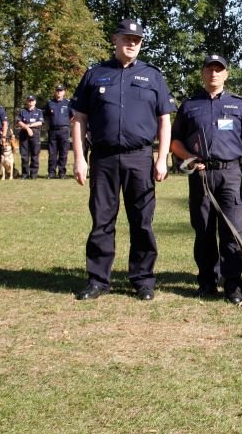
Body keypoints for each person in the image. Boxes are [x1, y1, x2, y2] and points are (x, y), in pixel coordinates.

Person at [71, 19, 174, 301]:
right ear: (115, 39)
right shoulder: (95, 74)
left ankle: (143, 280)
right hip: (103, 159)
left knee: (142, 221)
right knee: (102, 220)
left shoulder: (153, 76)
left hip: (140, 158)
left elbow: (165, 120)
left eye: (137, 39)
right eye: (126, 37)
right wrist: (80, 158)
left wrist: (162, 158)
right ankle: (98, 280)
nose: (132, 43)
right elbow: (79, 119)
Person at [170, 54, 242, 303]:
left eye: (218, 69)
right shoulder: (189, 105)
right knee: (204, 230)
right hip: (200, 175)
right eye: (209, 69)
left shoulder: (240, 104)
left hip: (231, 174)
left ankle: (233, 284)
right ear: (202, 73)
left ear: (226, 74)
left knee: (232, 232)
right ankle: (207, 282)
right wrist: (189, 157)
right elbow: (174, 141)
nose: (213, 73)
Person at [45, 84, 71, 178]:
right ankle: (51, 173)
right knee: (52, 153)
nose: (59, 92)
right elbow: (46, 116)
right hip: (52, 131)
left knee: (63, 152)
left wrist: (66, 123)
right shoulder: (50, 103)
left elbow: (73, 116)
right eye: (57, 90)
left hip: (64, 130)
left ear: (64, 92)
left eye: (61, 90)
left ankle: (62, 173)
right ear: (55, 92)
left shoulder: (68, 103)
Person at [16, 95, 43, 179]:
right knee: (24, 155)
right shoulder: (22, 111)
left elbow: (40, 122)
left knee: (35, 155)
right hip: (24, 134)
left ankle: (33, 174)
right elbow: (18, 121)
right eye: (29, 100)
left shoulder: (39, 111)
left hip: (35, 134)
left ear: (35, 102)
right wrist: (27, 128)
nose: (31, 102)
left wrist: (29, 125)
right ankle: (24, 174)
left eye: (32, 100)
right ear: (27, 102)